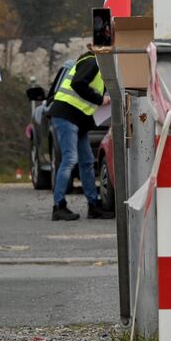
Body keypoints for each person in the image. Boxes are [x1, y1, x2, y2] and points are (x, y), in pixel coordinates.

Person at [49, 49, 114, 221]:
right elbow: (78, 84)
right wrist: (100, 100)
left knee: (86, 162)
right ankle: (58, 206)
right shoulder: (92, 62)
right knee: (70, 159)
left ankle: (93, 205)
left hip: (78, 119)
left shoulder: (97, 65)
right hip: (66, 115)